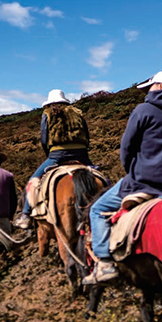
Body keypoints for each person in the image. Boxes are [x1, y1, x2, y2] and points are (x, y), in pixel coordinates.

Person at [84, 71, 162, 285]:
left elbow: (126, 149)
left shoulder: (143, 110)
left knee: (97, 210)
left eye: (150, 87)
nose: (147, 92)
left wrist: (134, 173)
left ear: (159, 87)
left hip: (146, 182)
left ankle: (104, 264)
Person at [16, 89, 94, 230]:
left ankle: (26, 215)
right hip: (81, 153)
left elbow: (44, 138)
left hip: (58, 154)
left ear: (49, 103)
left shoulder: (47, 114)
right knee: (100, 177)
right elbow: (87, 135)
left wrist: (50, 154)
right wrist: (83, 150)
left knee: (33, 181)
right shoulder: (78, 113)